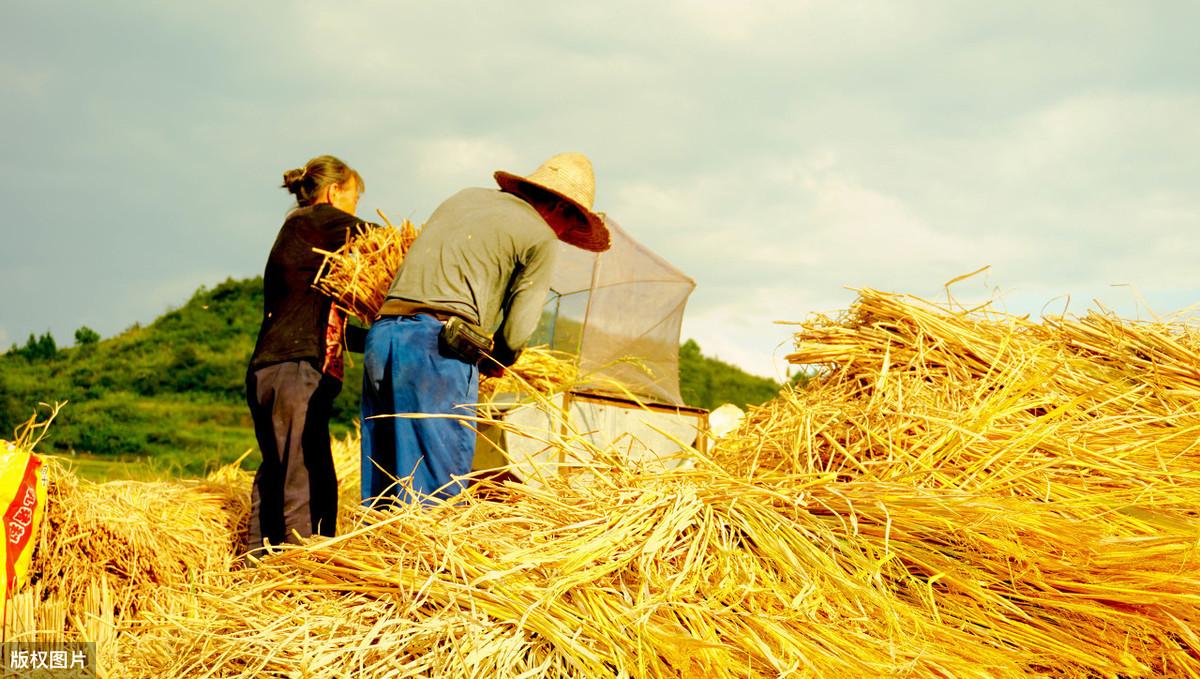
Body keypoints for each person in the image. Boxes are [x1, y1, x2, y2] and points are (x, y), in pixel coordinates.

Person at [361, 151, 610, 505]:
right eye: (571, 226)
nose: (566, 233)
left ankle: (376, 554)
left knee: (384, 489)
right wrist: (499, 360)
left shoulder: (465, 198)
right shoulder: (540, 236)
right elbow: (517, 331)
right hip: (436, 349)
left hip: (382, 337)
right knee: (435, 493)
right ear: (563, 209)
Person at [246, 154, 372, 553]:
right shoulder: (319, 219)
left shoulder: (300, 234)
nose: (354, 213)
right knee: (303, 474)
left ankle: (257, 566)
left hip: (272, 367)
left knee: (279, 472)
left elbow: (326, 324)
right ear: (334, 193)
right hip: (294, 371)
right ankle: (299, 569)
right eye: (354, 200)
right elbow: (387, 242)